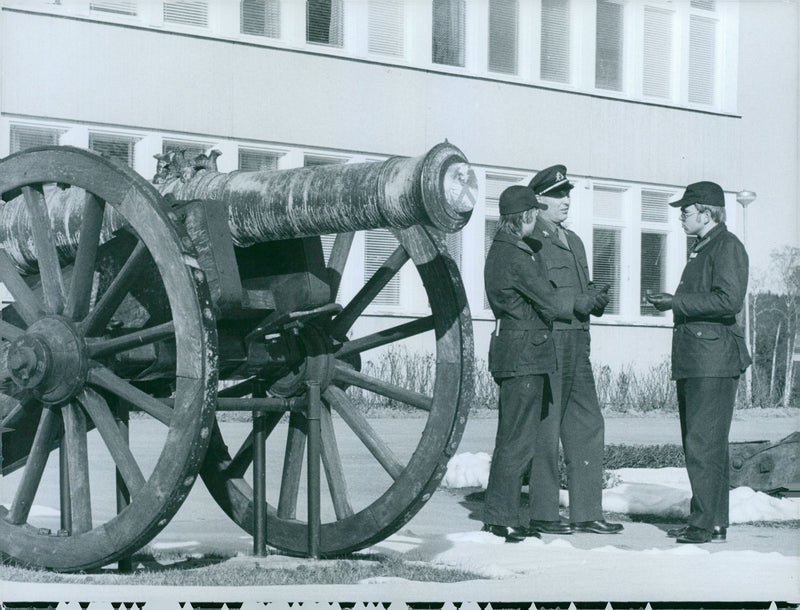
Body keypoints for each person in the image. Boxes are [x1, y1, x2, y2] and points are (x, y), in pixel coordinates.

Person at [483, 185, 602, 543]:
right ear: (526, 217)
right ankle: (500, 518)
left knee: (515, 437)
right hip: (525, 355)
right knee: (517, 439)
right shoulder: (515, 255)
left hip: (520, 352)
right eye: (534, 214)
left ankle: (502, 517)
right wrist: (583, 302)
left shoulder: (507, 250)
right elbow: (548, 301)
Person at [646, 181, 751, 544]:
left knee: (702, 442)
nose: (681, 218)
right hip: (701, 358)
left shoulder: (727, 247)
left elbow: (728, 301)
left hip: (713, 360)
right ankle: (714, 521)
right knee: (708, 443)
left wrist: (676, 302)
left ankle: (703, 524)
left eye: (686, 212)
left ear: (707, 213)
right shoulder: (705, 247)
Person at [525, 165, 624, 535]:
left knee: (587, 424)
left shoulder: (574, 240)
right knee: (546, 428)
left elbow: (577, 294)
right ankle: (544, 514)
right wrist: (580, 301)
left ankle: (587, 512)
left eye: (568, 193)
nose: (566, 200)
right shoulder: (532, 238)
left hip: (579, 341)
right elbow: (537, 293)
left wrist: (595, 298)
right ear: (538, 200)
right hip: (550, 340)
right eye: (558, 194)